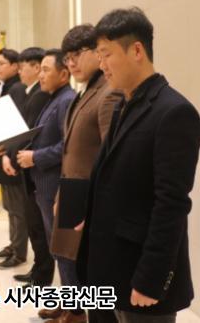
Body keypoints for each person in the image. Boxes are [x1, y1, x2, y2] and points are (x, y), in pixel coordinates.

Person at [76, 7, 200, 323]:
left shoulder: (174, 112)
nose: (102, 65)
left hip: (140, 276)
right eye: (99, 56)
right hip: (108, 266)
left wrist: (151, 278)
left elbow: (171, 204)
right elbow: (115, 176)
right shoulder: (123, 104)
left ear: (136, 51)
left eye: (106, 54)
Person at [48, 25, 123, 323]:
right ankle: (74, 309)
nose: (71, 63)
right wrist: (61, 193)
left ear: (97, 52)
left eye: (77, 54)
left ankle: (78, 313)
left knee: (94, 277)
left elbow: (111, 159)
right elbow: (71, 153)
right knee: (71, 263)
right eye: (67, 58)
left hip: (90, 201)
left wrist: (96, 209)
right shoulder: (85, 92)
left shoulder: (108, 92)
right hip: (73, 195)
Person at [16, 49, 75, 320]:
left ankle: (75, 310)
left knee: (64, 250)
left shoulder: (66, 100)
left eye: (46, 70)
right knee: (57, 249)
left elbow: (67, 146)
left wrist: (35, 157)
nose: (40, 75)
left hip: (56, 188)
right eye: (39, 69)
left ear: (64, 74)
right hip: (44, 186)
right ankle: (66, 303)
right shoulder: (54, 99)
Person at [2, 47, 55, 288]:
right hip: (29, 164)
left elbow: (28, 132)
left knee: (40, 227)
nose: (21, 72)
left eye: (24, 67)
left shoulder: (41, 95)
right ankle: (38, 270)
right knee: (34, 225)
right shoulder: (32, 92)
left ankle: (42, 275)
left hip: (38, 166)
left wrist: (11, 157)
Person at [0, 48, 29, 268]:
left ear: (15, 66)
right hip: (4, 152)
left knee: (17, 207)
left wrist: (8, 155)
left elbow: (16, 125)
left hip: (10, 155)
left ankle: (19, 252)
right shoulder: (6, 87)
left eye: (2, 63)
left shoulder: (17, 88)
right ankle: (13, 245)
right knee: (10, 206)